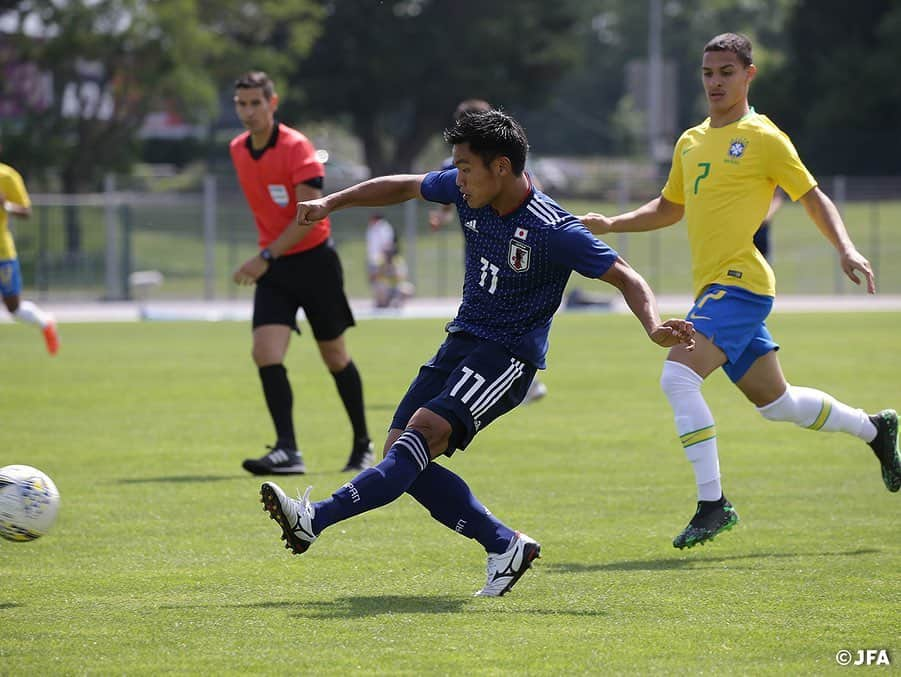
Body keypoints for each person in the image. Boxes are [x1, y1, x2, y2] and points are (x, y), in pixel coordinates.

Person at [258, 109, 695, 596]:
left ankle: (313, 518)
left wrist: (654, 326)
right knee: (400, 454)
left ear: (501, 167)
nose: (457, 179)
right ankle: (504, 543)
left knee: (420, 437)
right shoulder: (468, 191)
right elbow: (404, 185)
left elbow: (626, 277)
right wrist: (330, 204)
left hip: (508, 356)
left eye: (465, 168)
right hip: (461, 339)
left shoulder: (554, 229)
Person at [579, 32, 900, 551]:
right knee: (777, 404)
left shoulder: (764, 137)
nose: (715, 82)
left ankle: (713, 504)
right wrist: (613, 223)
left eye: (726, 72)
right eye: (708, 73)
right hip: (717, 288)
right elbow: (670, 207)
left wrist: (845, 248)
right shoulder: (690, 141)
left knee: (678, 377)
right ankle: (875, 428)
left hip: (742, 284)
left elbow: (812, 197)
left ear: (748, 75)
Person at [230, 71, 373, 475]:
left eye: (256, 103)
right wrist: (270, 257)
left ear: (272, 103)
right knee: (265, 352)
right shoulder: (238, 149)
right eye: (241, 104)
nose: (248, 111)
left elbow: (308, 216)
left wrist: (266, 256)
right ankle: (287, 451)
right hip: (275, 265)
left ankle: (364, 444)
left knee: (335, 356)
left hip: (313, 263)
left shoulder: (297, 147)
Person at [430, 99, 548, 404]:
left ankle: (515, 374)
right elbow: (444, 191)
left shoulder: (505, 160)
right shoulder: (455, 168)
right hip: (479, 240)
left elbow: (532, 192)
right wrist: (442, 215)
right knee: (482, 302)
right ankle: (489, 374)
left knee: (509, 307)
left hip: (510, 243)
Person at [0, 149, 59, 355]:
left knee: (13, 308)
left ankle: (46, 322)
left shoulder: (7, 176)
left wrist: (5, 205)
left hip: (2, 253)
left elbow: (26, 211)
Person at [366, 212, 413, 308]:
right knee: (379, 287)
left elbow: (403, 276)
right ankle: (381, 302)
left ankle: (395, 302)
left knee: (407, 288)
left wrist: (392, 271)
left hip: (394, 287)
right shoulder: (380, 262)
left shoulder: (397, 261)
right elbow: (373, 277)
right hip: (383, 284)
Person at [753, 190, 783, 260]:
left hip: (761, 228)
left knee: (764, 261)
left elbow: (777, 197)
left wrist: (766, 216)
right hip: (739, 229)